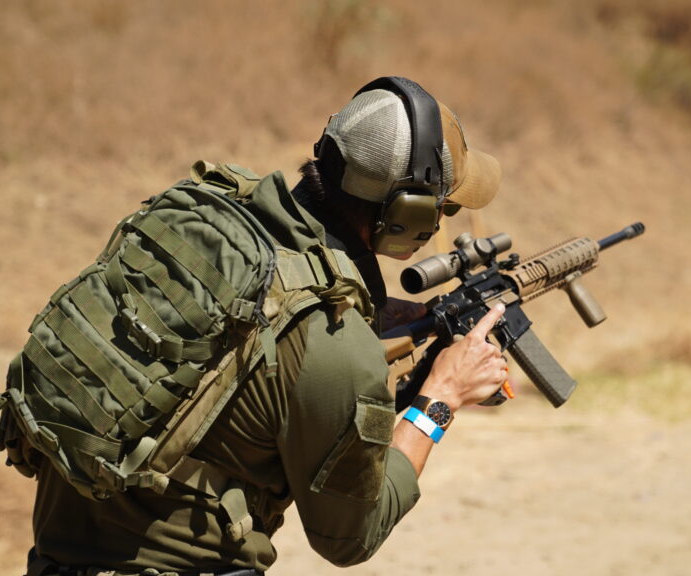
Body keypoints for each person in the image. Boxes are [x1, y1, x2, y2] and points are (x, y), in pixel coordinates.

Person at [26, 77, 508, 576]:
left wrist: (365, 322)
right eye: (442, 207)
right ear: (408, 212)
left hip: (54, 561)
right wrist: (440, 398)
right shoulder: (332, 340)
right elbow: (350, 537)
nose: (440, 221)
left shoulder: (212, 229)